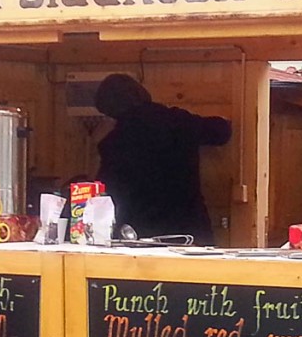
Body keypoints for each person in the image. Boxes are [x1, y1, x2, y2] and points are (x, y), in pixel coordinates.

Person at [94, 74, 232, 245]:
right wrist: (225, 121)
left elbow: (107, 191)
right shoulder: (177, 121)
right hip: (188, 227)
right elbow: (221, 132)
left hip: (138, 231)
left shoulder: (113, 143)